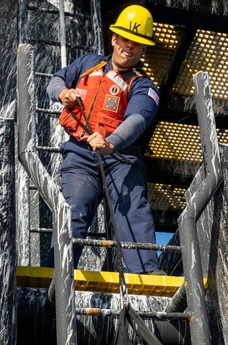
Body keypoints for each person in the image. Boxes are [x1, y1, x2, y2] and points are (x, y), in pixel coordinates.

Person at [46, 4, 163, 275]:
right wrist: (62, 93)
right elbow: (55, 80)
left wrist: (112, 142)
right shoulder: (88, 63)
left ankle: (146, 277)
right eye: (125, 40)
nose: (129, 47)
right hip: (80, 155)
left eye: (137, 44)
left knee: (133, 210)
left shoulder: (144, 86)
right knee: (73, 209)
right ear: (114, 39)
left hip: (122, 159)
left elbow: (137, 121)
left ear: (143, 50)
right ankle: (56, 275)